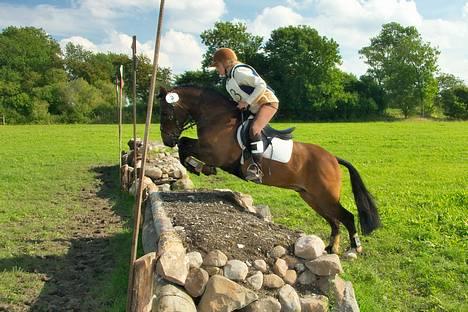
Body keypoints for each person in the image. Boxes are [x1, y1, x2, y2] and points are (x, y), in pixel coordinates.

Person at [211, 48, 279, 183]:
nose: (217, 69)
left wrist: (247, 102)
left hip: (267, 103)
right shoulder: (229, 79)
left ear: (225, 63)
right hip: (253, 107)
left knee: (254, 129)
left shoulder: (239, 72)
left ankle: (257, 168)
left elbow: (261, 85)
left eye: (217, 66)